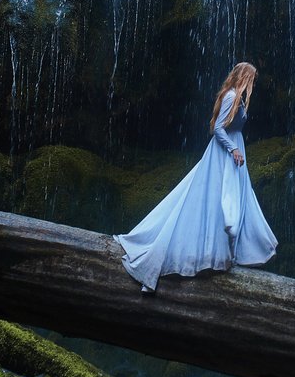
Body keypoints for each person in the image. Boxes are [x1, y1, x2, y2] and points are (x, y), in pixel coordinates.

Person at [117, 61, 279, 292]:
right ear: (244, 77)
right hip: (224, 155)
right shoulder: (232, 96)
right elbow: (218, 129)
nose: (253, 84)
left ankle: (222, 254)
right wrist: (233, 150)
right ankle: (205, 253)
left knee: (230, 201)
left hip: (232, 155)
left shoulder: (235, 97)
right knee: (220, 201)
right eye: (251, 79)